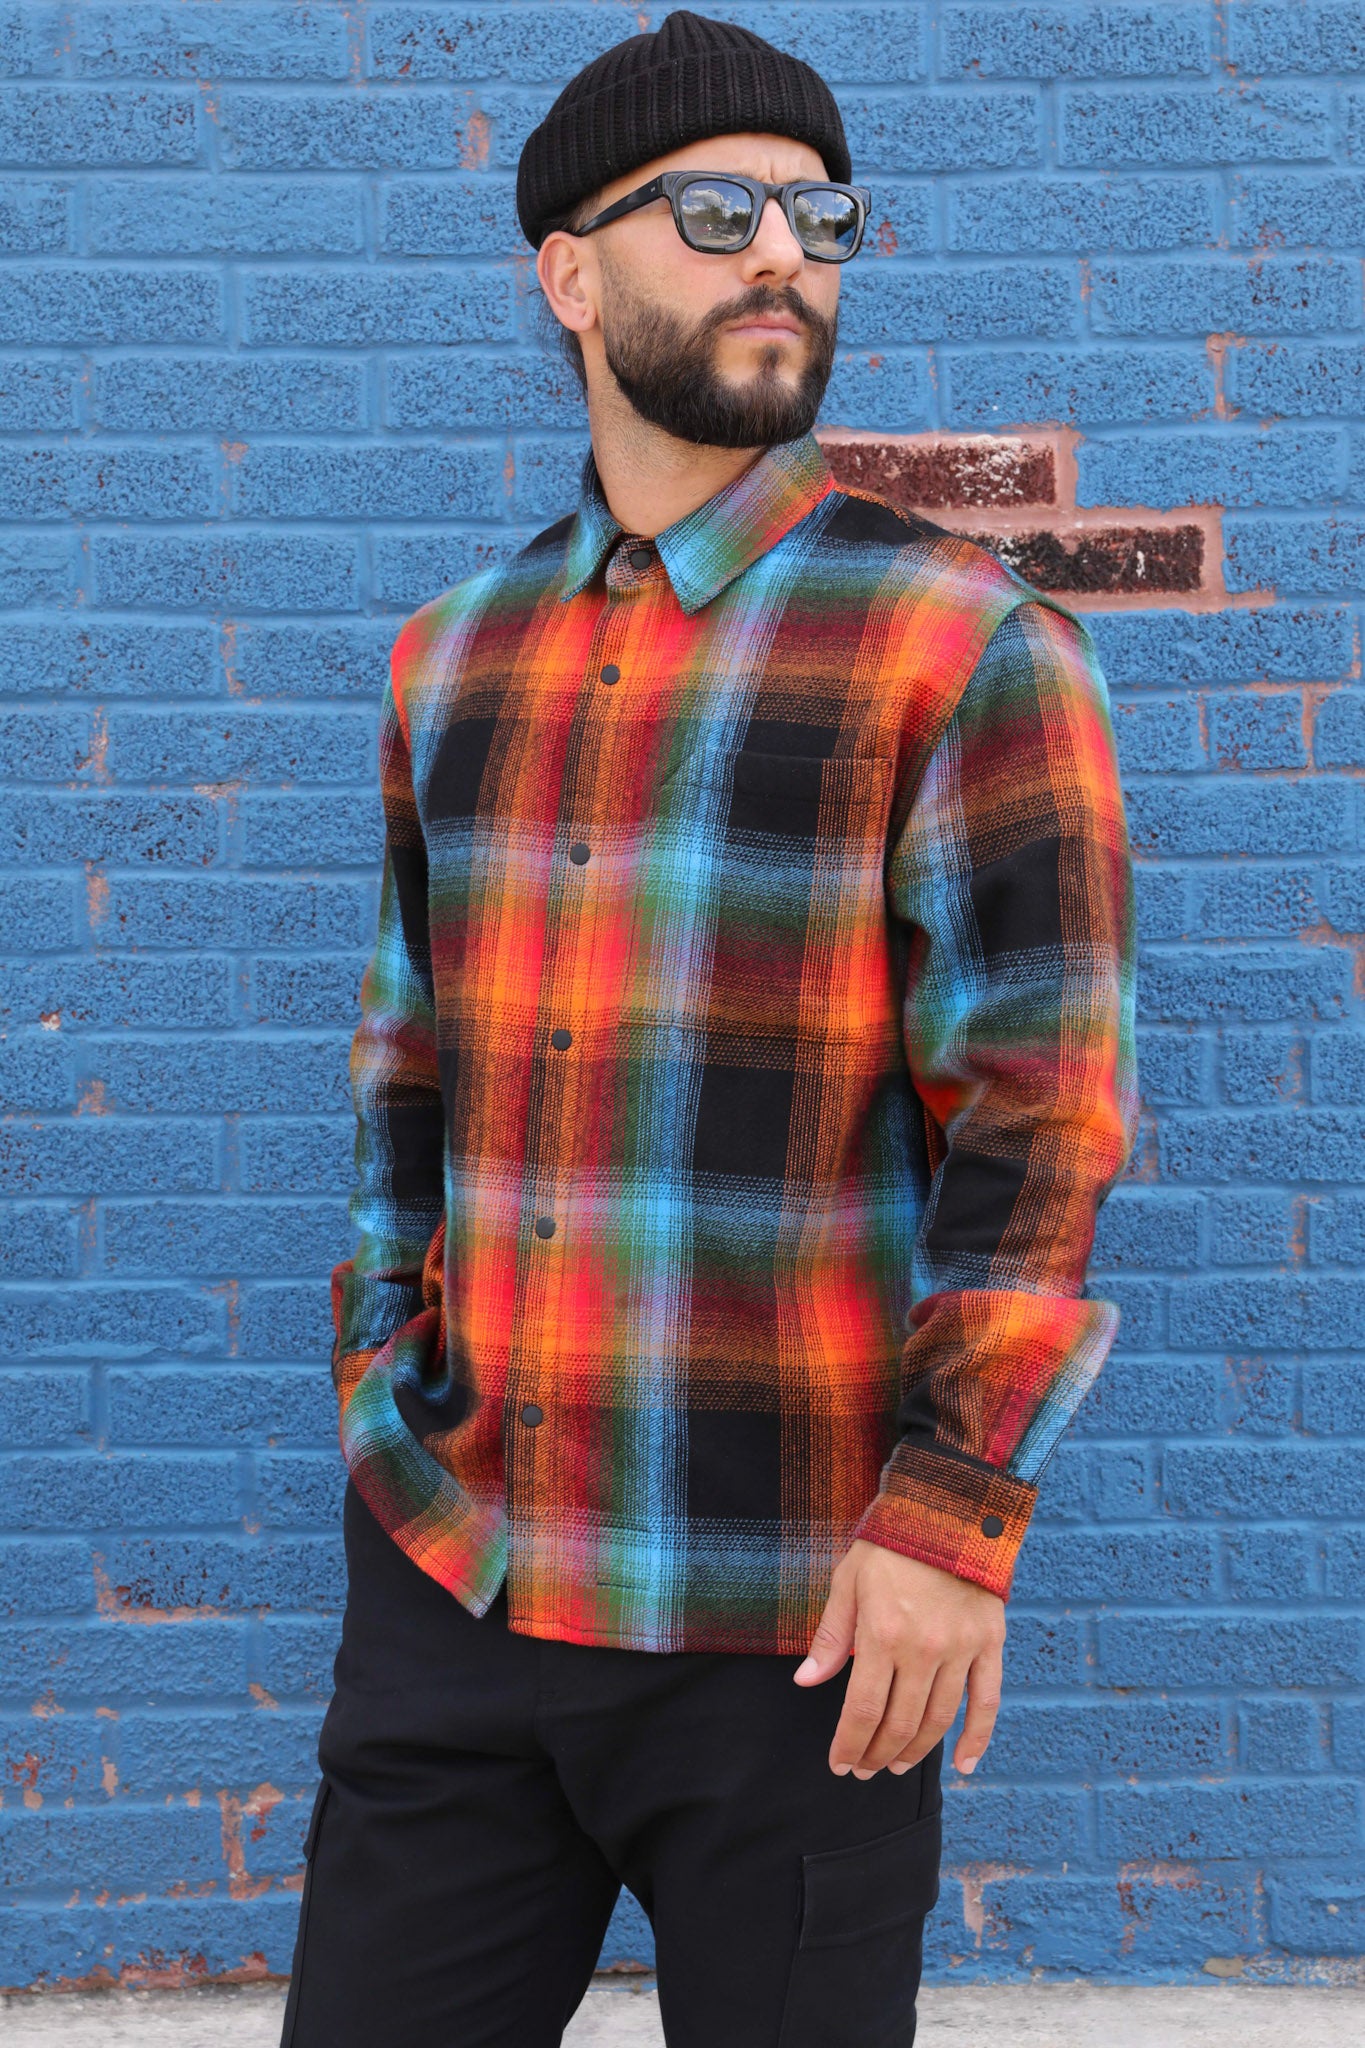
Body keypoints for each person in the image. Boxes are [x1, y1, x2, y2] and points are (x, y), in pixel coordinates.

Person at [279, 13, 1137, 2046]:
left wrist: (952, 1521)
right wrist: (376, 1372)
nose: (783, 255)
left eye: (818, 215)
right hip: (460, 1582)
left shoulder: (958, 644)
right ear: (566, 275)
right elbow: (406, 1072)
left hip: (796, 1621)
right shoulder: (449, 657)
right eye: (717, 210)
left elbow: (1041, 1112)